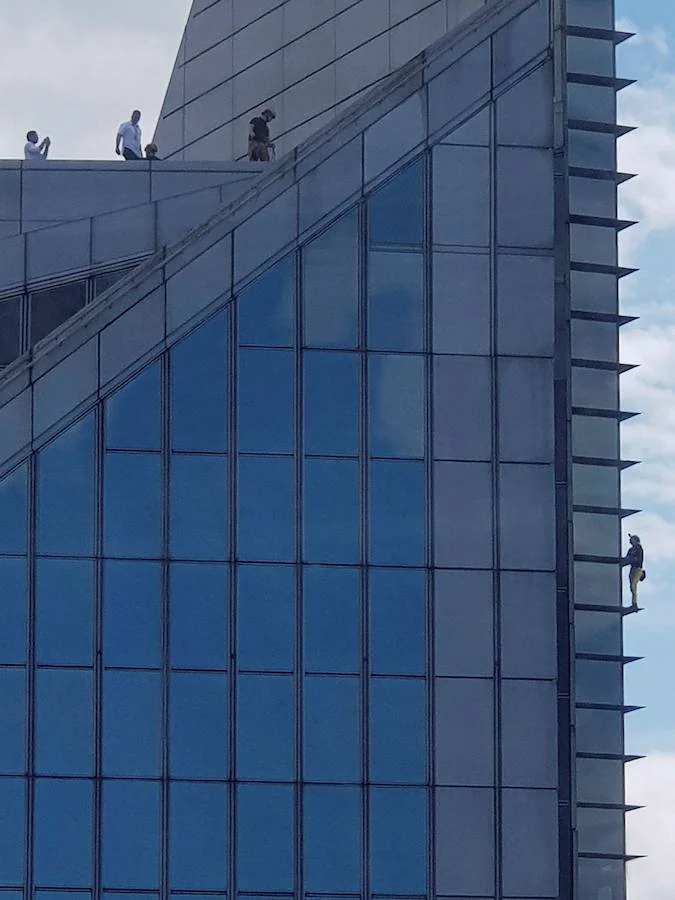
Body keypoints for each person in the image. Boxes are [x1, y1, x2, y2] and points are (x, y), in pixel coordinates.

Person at [621, 533, 645, 610]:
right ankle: (634, 603)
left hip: (637, 569)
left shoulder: (639, 548)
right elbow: (626, 558)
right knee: (632, 586)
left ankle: (634, 603)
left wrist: (630, 559)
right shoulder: (631, 550)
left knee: (633, 585)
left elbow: (638, 559)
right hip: (633, 569)